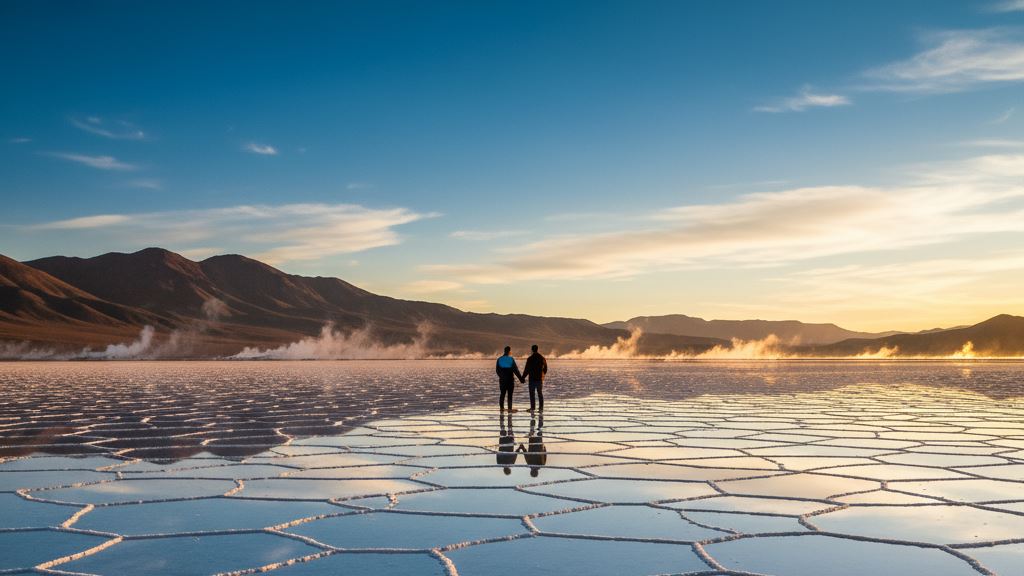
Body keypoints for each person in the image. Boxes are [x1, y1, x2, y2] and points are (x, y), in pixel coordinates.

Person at [495, 345, 524, 412]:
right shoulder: (511, 359)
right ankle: (509, 408)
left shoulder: (499, 359)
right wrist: (520, 379)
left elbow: (497, 370)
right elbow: (515, 370)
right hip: (510, 380)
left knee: (502, 394)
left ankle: (501, 408)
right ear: (509, 351)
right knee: (510, 395)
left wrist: (501, 377)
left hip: (502, 380)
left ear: (504, 351)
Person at [517, 413, 547, 477]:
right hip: (532, 445)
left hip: (539, 445)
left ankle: (540, 417)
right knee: (532, 430)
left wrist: (544, 448)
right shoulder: (529, 464)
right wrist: (522, 448)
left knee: (539, 430)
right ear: (531, 471)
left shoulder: (542, 465)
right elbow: (526, 455)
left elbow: (544, 455)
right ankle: (533, 417)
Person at [522, 344, 548, 412]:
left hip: (532, 379)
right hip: (539, 379)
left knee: (532, 394)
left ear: (532, 350)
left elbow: (526, 369)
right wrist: (542, 375)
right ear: (537, 349)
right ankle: (541, 408)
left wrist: (523, 378)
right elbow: (545, 368)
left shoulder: (530, 359)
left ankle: (533, 407)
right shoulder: (542, 358)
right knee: (540, 393)